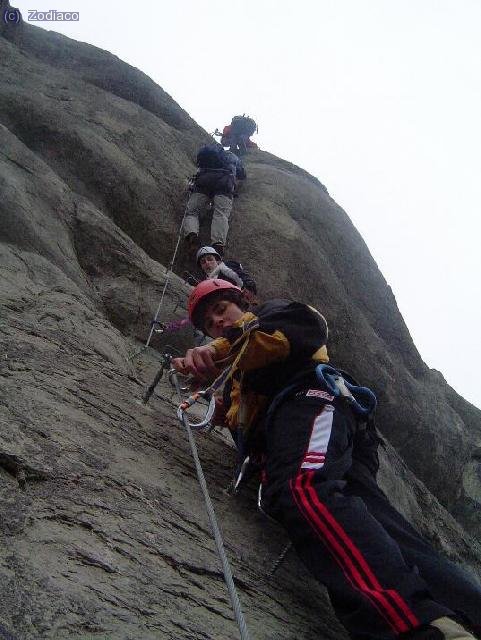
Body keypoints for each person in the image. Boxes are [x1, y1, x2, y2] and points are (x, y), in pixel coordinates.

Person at [172, 279, 481, 640]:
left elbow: (296, 330)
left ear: (244, 301)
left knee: (302, 487)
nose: (219, 322)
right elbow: (243, 414)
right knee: (377, 524)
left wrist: (218, 349)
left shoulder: (275, 314)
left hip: (310, 400)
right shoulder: (239, 376)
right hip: (315, 421)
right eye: (210, 323)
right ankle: (469, 613)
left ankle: (415, 625)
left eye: (222, 310)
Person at [184, 144, 246, 258]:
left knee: (192, 212)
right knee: (221, 214)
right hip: (224, 182)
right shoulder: (232, 157)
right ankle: (217, 245)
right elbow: (242, 174)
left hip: (204, 181)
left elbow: (199, 165)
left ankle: (193, 236)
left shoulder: (209, 154)